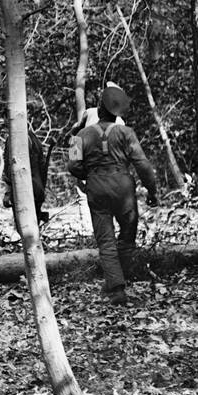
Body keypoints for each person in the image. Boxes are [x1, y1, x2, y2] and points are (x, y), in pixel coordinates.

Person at [67, 83, 159, 305]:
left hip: (97, 186)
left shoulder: (80, 135)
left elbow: (72, 166)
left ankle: (116, 288)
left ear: (99, 109)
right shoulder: (127, 133)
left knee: (106, 241)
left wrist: (88, 174)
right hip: (123, 187)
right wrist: (152, 190)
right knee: (127, 236)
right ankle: (120, 278)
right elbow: (143, 165)